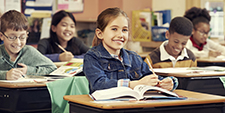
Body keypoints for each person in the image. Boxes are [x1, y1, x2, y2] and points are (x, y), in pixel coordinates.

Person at [83, 7, 178, 94]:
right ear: (100, 34)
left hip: (132, 106)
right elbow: (99, 84)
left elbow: (151, 78)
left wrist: (169, 82)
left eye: (124, 30)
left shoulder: (134, 57)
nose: (120, 35)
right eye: (114, 29)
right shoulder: (92, 57)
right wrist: (133, 84)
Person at [0, 10, 57, 80]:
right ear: (1, 36)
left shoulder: (29, 51)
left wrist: (28, 70)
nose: (17, 42)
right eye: (12, 37)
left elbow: (53, 68)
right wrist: (5, 75)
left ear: (27, 35)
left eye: (22, 37)